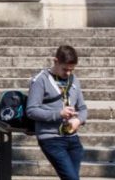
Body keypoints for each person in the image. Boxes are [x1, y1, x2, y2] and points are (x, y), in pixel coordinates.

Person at [24, 44, 88, 180]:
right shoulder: (40, 80)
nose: (68, 73)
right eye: (65, 69)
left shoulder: (74, 80)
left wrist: (78, 120)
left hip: (73, 139)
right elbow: (31, 110)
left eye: (72, 69)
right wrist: (58, 114)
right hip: (51, 139)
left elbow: (82, 108)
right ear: (55, 61)